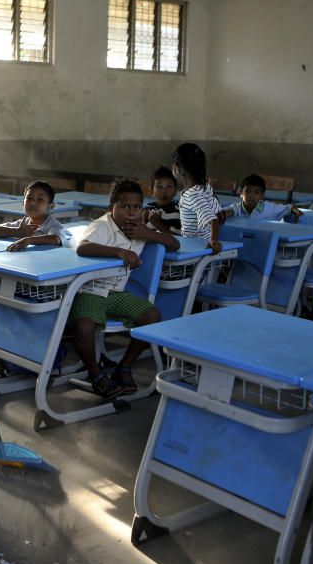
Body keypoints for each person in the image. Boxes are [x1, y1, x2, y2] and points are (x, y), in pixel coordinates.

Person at [69, 179, 177, 397]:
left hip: (116, 294)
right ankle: (95, 373)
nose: (131, 212)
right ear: (111, 209)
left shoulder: (141, 229)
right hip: (91, 290)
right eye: (124, 206)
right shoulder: (103, 226)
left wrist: (148, 234)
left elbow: (175, 244)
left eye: (137, 207)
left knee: (152, 316)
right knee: (84, 326)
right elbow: (83, 247)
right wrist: (119, 252)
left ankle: (124, 366)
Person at [0, 180, 67, 251]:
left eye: (40, 199)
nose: (32, 203)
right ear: (23, 203)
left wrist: (29, 240)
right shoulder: (23, 224)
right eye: (29, 198)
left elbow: (55, 239)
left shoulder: (53, 225)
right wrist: (17, 232)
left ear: (51, 206)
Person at [171, 143, 222, 253]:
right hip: (195, 245)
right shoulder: (205, 187)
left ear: (177, 167)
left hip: (196, 250)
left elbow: (213, 219)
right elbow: (218, 215)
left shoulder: (192, 195)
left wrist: (213, 241)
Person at [221, 173, 302, 222]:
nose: (251, 195)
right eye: (248, 191)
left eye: (256, 192)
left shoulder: (269, 208)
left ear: (262, 195)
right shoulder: (237, 208)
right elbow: (225, 212)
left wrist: (294, 209)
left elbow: (287, 208)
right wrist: (227, 213)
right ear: (241, 193)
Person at [143, 166, 181, 234]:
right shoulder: (145, 209)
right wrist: (142, 221)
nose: (164, 191)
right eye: (159, 186)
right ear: (152, 191)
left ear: (175, 191)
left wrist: (157, 224)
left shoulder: (178, 212)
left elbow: (178, 240)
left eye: (169, 186)